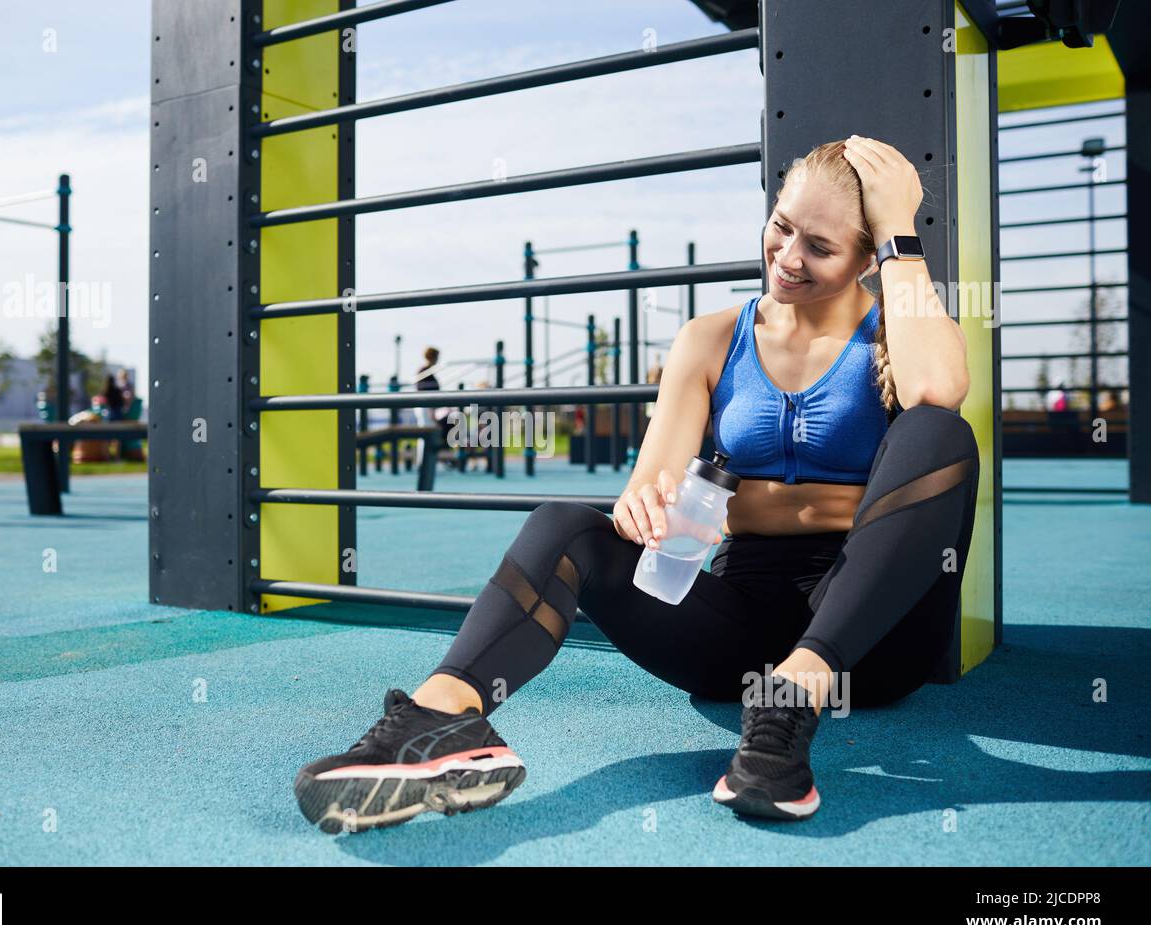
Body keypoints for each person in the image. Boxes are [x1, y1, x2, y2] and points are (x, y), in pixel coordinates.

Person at [294, 136, 979, 833]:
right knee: (566, 525)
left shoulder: (900, 332)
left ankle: (795, 696)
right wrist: (642, 504)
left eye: (821, 247)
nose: (788, 257)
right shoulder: (711, 338)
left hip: (872, 645)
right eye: (781, 226)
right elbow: (653, 475)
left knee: (940, 434)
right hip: (736, 633)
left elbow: (935, 388)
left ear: (868, 258)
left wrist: (900, 231)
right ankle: (439, 721)